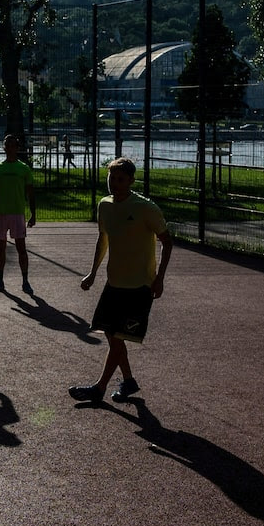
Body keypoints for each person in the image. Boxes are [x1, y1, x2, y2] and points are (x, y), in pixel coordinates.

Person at [71, 157, 173, 403]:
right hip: (114, 283)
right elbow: (102, 238)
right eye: (111, 178)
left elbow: (167, 242)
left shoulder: (145, 208)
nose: (114, 183)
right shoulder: (104, 205)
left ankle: (99, 388)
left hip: (139, 286)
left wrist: (159, 279)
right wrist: (93, 273)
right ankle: (128, 381)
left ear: (131, 181)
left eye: (120, 179)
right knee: (112, 336)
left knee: (116, 339)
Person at [0, 134, 38, 294]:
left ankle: (25, 281)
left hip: (17, 214)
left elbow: (31, 193)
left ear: (18, 148)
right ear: (4, 148)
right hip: (0, 214)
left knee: (21, 248)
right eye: (8, 145)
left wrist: (33, 214)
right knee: (0, 248)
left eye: (14, 145)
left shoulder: (24, 169)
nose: (11, 148)